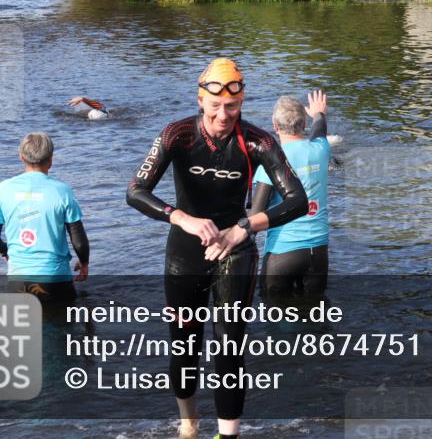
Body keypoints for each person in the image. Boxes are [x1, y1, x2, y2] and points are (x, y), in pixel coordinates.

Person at [126, 58, 308, 439]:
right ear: (200, 100)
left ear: (242, 102)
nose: (224, 115)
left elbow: (297, 200)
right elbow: (135, 192)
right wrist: (182, 218)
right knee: (184, 345)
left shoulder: (258, 140)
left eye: (233, 107)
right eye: (216, 107)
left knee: (228, 348)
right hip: (185, 251)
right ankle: (189, 424)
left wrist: (244, 228)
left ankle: (229, 435)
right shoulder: (177, 135)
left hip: (235, 249)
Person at [0, 132, 90, 303]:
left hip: (18, 282)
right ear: (50, 159)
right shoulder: (62, 191)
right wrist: (84, 263)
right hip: (56, 281)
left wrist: (6, 250)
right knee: (63, 327)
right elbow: (79, 240)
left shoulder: (3, 189)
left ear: (21, 157)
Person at [252, 90, 332, 299]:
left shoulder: (270, 163)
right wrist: (318, 114)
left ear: (274, 125)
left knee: (275, 316)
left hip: (283, 253)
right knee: (316, 317)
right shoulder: (321, 150)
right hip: (318, 253)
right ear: (303, 124)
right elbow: (320, 130)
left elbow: (255, 216)